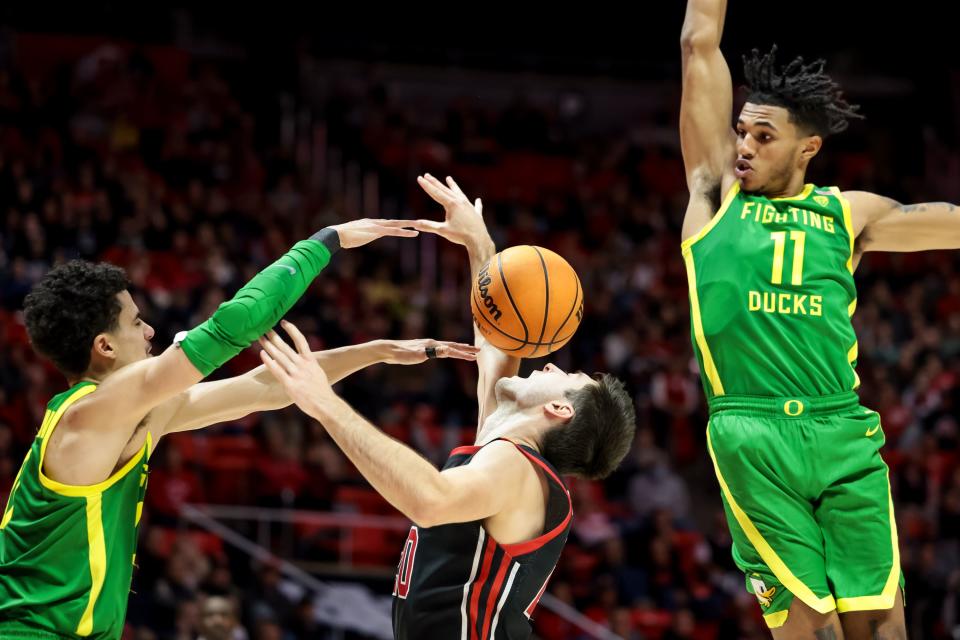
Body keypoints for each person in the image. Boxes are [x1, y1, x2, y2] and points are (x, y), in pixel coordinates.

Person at [0, 217, 478, 638]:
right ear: (104, 347)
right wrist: (327, 240)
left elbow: (264, 389)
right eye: (136, 321)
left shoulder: (127, 416)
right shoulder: (91, 414)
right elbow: (237, 323)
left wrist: (376, 351)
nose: (150, 332)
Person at [678, 0, 959, 635]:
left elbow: (950, 222)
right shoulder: (715, 190)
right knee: (807, 628)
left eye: (763, 136)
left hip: (843, 430)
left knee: (884, 626)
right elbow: (700, 43)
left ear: (808, 147)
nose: (743, 145)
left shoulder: (849, 213)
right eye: (742, 131)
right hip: (754, 432)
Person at [259, 175, 637, 639]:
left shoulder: (517, 470)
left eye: (567, 377)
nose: (553, 366)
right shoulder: (508, 455)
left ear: (560, 409)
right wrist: (477, 239)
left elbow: (430, 499)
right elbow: (497, 344)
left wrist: (324, 404)